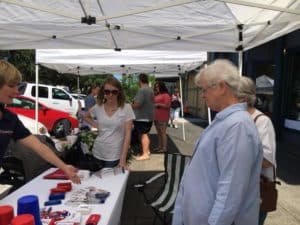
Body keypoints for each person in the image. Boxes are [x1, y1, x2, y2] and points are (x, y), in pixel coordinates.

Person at [172, 59, 263, 225]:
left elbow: (231, 192)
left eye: (204, 89)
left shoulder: (237, 126)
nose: (202, 94)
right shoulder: (225, 120)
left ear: (221, 87)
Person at [0, 60, 80, 184]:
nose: (17, 91)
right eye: (11, 86)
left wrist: (64, 167)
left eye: (17, 85)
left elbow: (39, 146)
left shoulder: (10, 119)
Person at [238, 76, 277, 225]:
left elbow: (267, 161)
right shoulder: (235, 118)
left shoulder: (261, 121)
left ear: (242, 97)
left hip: (256, 192)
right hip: (240, 191)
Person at [84, 77, 135, 169]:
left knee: (110, 182)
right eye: (107, 92)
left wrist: (123, 159)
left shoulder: (126, 108)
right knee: (96, 182)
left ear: (119, 92)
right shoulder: (98, 107)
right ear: (103, 92)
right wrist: (97, 126)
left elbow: (128, 134)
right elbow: (86, 116)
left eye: (114, 92)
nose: (110, 95)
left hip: (114, 155)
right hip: (97, 151)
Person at [131, 73, 154, 161]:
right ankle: (147, 151)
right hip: (148, 116)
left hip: (142, 117)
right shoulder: (150, 90)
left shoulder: (142, 90)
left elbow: (137, 104)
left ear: (140, 80)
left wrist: (129, 105)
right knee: (146, 134)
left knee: (143, 135)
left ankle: (145, 154)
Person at [153, 81, 171, 153]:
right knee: (159, 132)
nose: (156, 88)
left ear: (161, 87)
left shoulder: (166, 95)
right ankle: (159, 146)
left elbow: (168, 105)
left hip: (163, 116)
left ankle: (164, 148)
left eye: (157, 86)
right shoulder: (157, 95)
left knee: (163, 132)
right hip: (156, 116)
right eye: (155, 87)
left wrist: (158, 104)